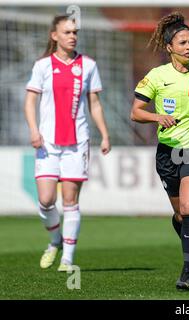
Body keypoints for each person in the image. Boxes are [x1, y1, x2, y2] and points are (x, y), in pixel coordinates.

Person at [130, 12, 189, 290]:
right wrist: (157, 117)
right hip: (167, 154)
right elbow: (136, 113)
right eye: (182, 42)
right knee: (180, 216)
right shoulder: (156, 76)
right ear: (170, 47)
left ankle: (186, 272)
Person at [24, 15, 111, 272]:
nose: (73, 36)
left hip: (77, 143)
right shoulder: (42, 66)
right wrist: (33, 129)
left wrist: (104, 134)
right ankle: (55, 240)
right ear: (55, 36)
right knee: (46, 199)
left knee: (70, 201)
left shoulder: (88, 65)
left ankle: (67, 259)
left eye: (75, 32)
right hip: (47, 142)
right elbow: (30, 101)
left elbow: (94, 104)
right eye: (67, 32)